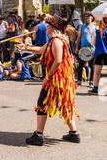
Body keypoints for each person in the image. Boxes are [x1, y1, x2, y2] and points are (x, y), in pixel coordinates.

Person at [19, 14, 80, 146]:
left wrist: (48, 76)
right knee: (65, 104)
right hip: (62, 79)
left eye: (49, 25)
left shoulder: (57, 41)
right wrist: (26, 48)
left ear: (54, 28)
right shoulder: (55, 39)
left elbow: (58, 61)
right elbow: (41, 49)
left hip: (57, 79)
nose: (47, 26)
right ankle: (74, 134)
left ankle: (39, 135)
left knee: (42, 103)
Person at [88, 8, 107, 95]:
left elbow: (92, 43)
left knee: (97, 72)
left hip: (99, 53)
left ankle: (95, 88)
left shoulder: (96, 31)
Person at [75, 12, 96, 86]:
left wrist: (94, 48)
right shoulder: (82, 27)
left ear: (92, 18)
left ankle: (91, 81)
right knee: (80, 65)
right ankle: (79, 80)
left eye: (88, 17)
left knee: (92, 66)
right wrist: (77, 47)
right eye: (86, 17)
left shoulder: (94, 27)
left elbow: (95, 38)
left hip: (91, 49)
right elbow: (78, 38)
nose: (87, 18)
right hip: (82, 48)